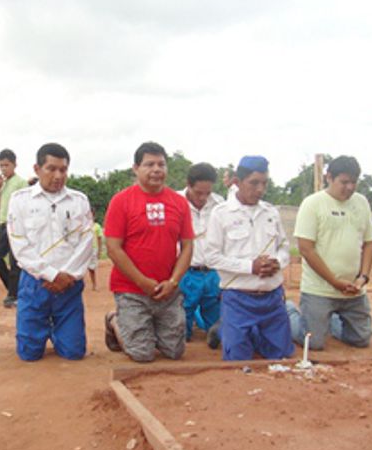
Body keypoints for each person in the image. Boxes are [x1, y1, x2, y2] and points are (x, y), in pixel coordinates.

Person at [104, 142, 194, 363]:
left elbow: (188, 246)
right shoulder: (121, 201)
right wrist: (142, 282)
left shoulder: (179, 202)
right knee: (142, 354)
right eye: (149, 164)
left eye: (161, 164)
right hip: (131, 289)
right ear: (136, 168)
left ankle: (142, 326)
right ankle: (115, 320)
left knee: (174, 352)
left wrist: (173, 282)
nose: (156, 169)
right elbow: (113, 249)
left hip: (167, 290)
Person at [7, 143, 93, 361]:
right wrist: (52, 275)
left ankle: (60, 332)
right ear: (37, 169)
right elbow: (19, 245)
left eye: (63, 170)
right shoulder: (20, 200)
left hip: (70, 285)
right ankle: (44, 330)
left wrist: (67, 276)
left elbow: (86, 241)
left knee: (74, 353)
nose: (58, 175)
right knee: (29, 354)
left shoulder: (79, 201)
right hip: (35, 284)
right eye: (51, 169)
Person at [205, 156, 295, 360]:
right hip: (238, 299)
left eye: (264, 183)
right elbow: (211, 257)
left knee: (281, 355)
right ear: (237, 182)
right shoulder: (221, 213)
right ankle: (225, 329)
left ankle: (233, 330)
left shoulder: (271, 212)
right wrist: (249, 267)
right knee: (236, 359)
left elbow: (283, 247)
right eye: (254, 183)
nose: (260, 189)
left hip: (272, 299)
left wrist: (277, 262)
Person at [291, 155, 372, 350]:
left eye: (353, 182)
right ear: (329, 177)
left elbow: (369, 242)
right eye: (344, 182)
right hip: (319, 289)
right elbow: (306, 248)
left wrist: (362, 278)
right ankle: (289, 313)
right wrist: (333, 281)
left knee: (361, 339)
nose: (349, 187)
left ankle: (328, 321)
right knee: (313, 342)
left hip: (353, 291)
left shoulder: (361, 202)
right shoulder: (313, 204)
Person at [179, 162, 225, 343]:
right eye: (198, 193)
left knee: (221, 331)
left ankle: (203, 324)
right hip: (185, 273)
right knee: (180, 335)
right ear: (188, 185)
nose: (203, 197)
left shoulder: (220, 204)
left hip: (213, 273)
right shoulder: (173, 202)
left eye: (208, 193)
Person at [0, 149, 28, 308]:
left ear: (14, 164)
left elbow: (25, 205)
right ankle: (13, 290)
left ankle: (13, 295)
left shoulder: (20, 182)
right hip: (3, 224)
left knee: (15, 261)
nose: (4, 168)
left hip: (16, 225)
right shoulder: (3, 183)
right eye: (1, 165)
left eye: (6, 165)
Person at [86, 208, 103, 291]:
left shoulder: (97, 226)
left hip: (93, 248)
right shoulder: (82, 226)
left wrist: (99, 251)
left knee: (92, 268)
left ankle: (94, 284)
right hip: (84, 249)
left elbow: (99, 239)